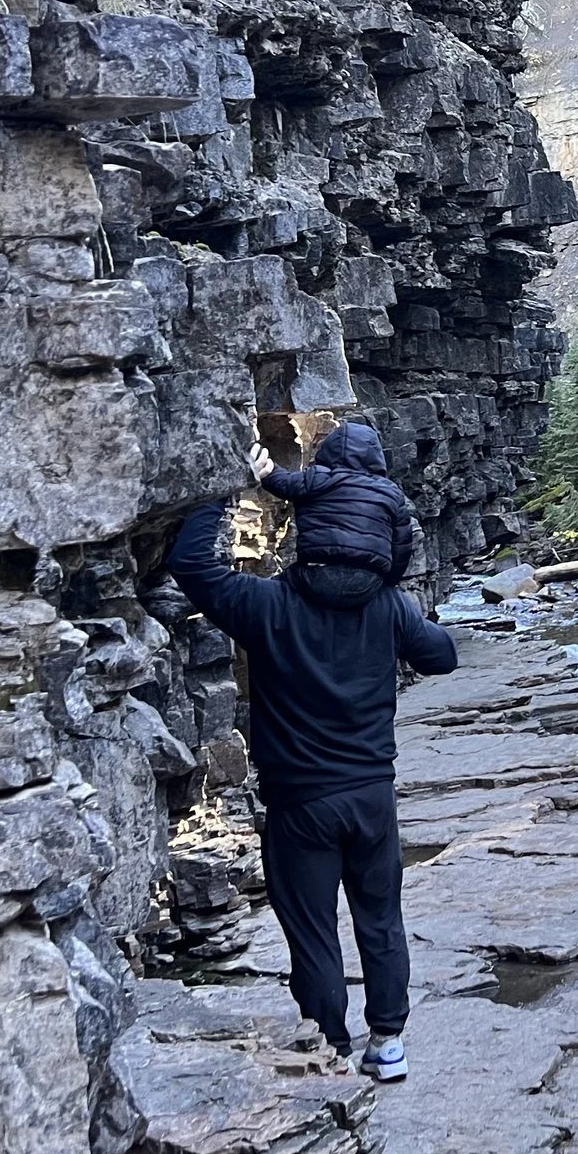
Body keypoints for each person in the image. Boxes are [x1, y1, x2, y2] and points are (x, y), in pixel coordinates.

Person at [166, 428, 457, 1082]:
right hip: (371, 798)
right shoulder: (389, 610)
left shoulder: (268, 604)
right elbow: (442, 655)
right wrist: (400, 613)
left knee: (313, 932)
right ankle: (389, 1044)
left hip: (300, 804)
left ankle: (331, 1049)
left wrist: (222, 487)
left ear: (312, 519)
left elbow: (193, 565)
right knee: (380, 917)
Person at [247, 419, 424, 586]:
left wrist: (258, 457)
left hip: (316, 573)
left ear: (328, 450)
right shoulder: (390, 492)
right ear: (376, 455)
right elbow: (401, 547)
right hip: (368, 578)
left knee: (269, 592)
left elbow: (281, 482)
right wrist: (388, 585)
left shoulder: (315, 479)